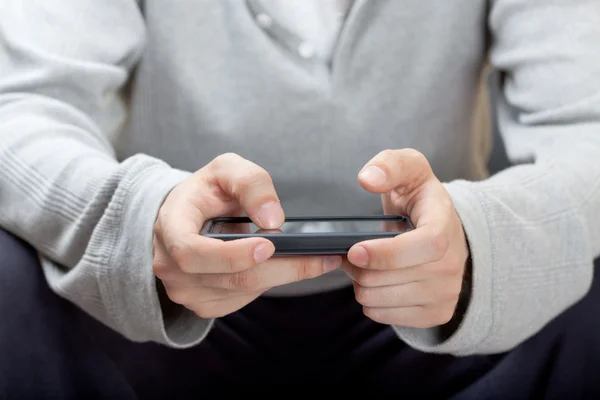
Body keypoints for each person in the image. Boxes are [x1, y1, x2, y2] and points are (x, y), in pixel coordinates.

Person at [1, 0, 599, 397]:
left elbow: (586, 128)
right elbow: (21, 105)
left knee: (578, 267)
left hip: (447, 318)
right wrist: (140, 220)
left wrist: (480, 243)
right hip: (156, 312)